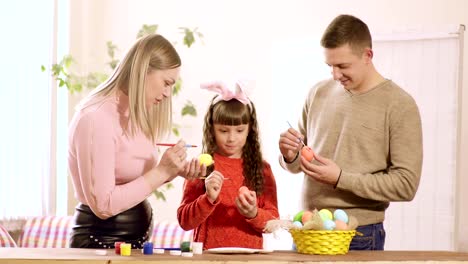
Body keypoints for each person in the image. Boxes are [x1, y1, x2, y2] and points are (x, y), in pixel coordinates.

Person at [278, 14, 423, 250]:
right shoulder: (318, 92)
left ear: (368, 55)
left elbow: (406, 185)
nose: (335, 75)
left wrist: (340, 178)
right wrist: (289, 155)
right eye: (330, 66)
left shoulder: (399, 105)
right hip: (308, 230)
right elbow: (297, 164)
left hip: (359, 236)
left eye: (343, 66)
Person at [68, 34, 205, 248]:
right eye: (166, 83)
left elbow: (135, 178)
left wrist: (172, 170)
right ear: (143, 70)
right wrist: (160, 172)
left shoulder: (134, 114)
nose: (168, 93)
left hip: (131, 244)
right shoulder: (95, 118)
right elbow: (104, 205)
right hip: (99, 245)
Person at [177, 80, 279, 249]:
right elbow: (184, 222)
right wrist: (208, 199)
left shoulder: (262, 169)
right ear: (212, 129)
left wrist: (254, 213)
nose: (231, 138)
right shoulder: (202, 166)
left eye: (239, 130)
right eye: (223, 131)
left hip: (250, 260)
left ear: (249, 130)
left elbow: (274, 223)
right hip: (208, 258)